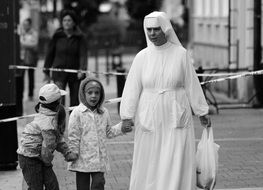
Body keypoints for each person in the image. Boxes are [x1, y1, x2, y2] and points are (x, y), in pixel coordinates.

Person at [119, 11, 211, 190]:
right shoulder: (142, 57)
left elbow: (192, 83)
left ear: (165, 29)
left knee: (176, 154)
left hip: (176, 111)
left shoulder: (181, 54)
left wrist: (201, 111)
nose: (152, 33)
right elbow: (132, 87)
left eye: (156, 29)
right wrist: (126, 115)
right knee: (150, 156)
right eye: (149, 30)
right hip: (149, 114)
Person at [67, 77, 132, 190]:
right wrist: (73, 152)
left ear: (101, 95)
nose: (93, 96)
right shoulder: (77, 113)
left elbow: (109, 132)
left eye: (97, 93)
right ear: (83, 93)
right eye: (90, 92)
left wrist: (122, 127)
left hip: (99, 160)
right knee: (82, 187)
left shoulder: (104, 112)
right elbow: (73, 135)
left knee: (99, 183)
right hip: (82, 160)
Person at [17, 83, 78, 190]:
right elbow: (48, 148)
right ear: (57, 103)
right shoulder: (48, 125)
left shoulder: (48, 114)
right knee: (36, 187)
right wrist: (47, 164)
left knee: (52, 185)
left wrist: (67, 153)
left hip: (40, 156)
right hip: (29, 158)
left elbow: (57, 138)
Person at [43, 9, 88, 106]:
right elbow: (49, 54)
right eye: (64, 20)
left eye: (69, 20)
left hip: (75, 73)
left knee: (74, 101)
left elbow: (83, 54)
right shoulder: (57, 36)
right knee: (59, 100)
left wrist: (82, 69)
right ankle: (60, 121)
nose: (66, 23)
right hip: (58, 73)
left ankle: (73, 121)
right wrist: (46, 72)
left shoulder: (80, 37)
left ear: (74, 22)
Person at [20, 18, 39, 101]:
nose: (25, 26)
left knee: (31, 77)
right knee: (21, 77)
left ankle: (30, 95)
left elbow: (34, 44)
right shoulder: (22, 33)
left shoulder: (34, 33)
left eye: (26, 24)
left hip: (31, 59)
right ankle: (21, 94)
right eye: (24, 24)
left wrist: (23, 44)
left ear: (30, 25)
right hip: (22, 59)